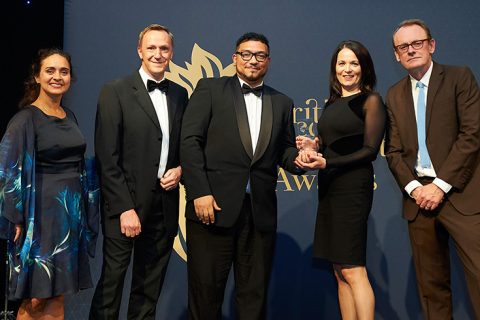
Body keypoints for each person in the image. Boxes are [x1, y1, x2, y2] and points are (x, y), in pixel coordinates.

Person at [180, 32, 302, 320]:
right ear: (234, 58)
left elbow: (284, 151)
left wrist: (300, 159)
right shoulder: (209, 89)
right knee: (205, 295)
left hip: (259, 213)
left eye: (260, 55)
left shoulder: (282, 102)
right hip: (212, 209)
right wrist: (200, 192)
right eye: (246, 54)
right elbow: (189, 141)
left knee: (253, 298)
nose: (253, 60)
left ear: (268, 61)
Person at [89, 24, 188, 319]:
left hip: (164, 205)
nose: (158, 54)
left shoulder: (181, 94)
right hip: (124, 206)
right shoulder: (115, 91)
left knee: (149, 288)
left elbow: (184, 145)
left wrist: (181, 168)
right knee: (112, 283)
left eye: (164, 48)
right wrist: (124, 208)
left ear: (171, 53)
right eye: (152, 48)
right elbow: (107, 156)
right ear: (139, 51)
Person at [384, 18, 480, 319]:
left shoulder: (459, 77)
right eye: (403, 47)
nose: (411, 50)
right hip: (419, 202)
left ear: (431, 45)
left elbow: (472, 134)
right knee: (431, 288)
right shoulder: (394, 94)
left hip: (460, 196)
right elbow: (394, 152)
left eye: (417, 43)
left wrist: (440, 185)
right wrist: (416, 189)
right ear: (396, 55)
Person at [0, 48, 99, 319]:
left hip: (68, 217)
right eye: (50, 71)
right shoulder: (25, 119)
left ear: (70, 78)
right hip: (38, 219)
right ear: (37, 77)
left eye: (64, 71)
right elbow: (7, 170)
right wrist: (15, 218)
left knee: (57, 294)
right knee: (36, 299)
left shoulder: (70, 116)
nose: (58, 77)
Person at [295, 40, 385, 320]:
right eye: (342, 63)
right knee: (339, 269)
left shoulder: (371, 101)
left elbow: (369, 150)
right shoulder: (332, 102)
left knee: (353, 268)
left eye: (354, 63)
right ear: (334, 68)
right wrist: (314, 144)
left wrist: (327, 162)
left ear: (364, 68)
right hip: (330, 188)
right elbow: (336, 141)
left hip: (353, 189)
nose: (348, 69)